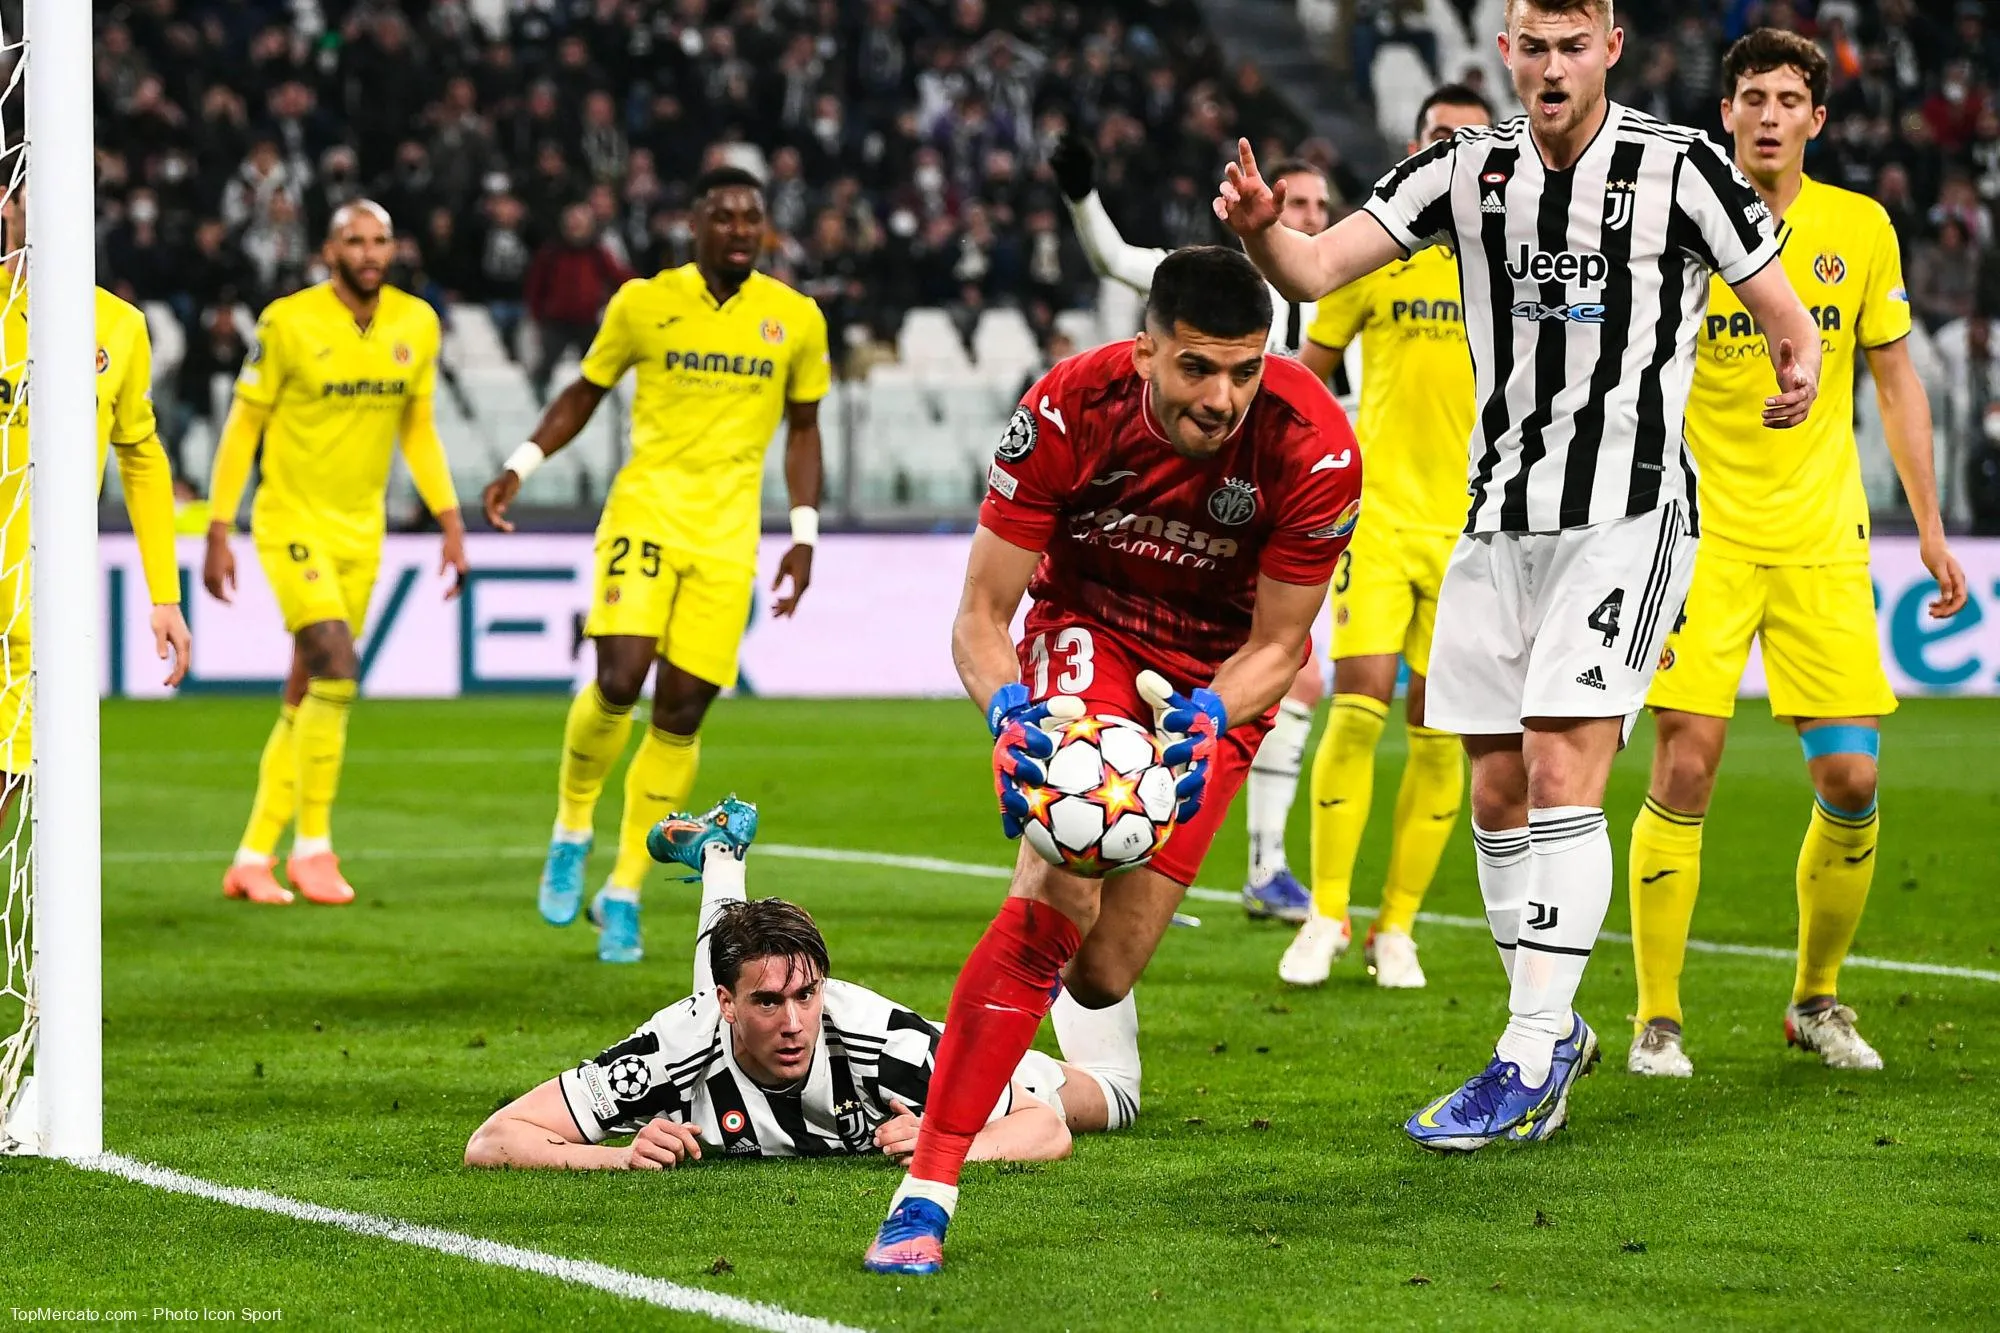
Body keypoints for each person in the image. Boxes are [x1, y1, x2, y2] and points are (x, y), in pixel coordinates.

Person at [1215, 0, 1822, 1152]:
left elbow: (1782, 317)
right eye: (1530, 48)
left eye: (1570, 46)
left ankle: (1527, 1048)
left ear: (1610, 49)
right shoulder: (1458, 171)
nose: (1550, 68)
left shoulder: (1678, 165)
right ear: (1504, 53)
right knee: (1491, 788)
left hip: (1627, 510)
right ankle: (1544, 1027)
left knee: (1558, 762)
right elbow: (1310, 263)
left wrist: (1792, 368)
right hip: (1493, 519)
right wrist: (1255, 229)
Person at [863, 246, 1362, 1274]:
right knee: (1061, 875)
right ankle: (928, 1188)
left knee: (1099, 974)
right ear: (1144, 350)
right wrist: (1010, 713)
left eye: (1241, 370)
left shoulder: (1313, 448)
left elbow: (1279, 645)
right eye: (1195, 369)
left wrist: (1206, 718)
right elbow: (982, 612)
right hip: (1088, 631)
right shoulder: (1064, 411)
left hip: (1218, 678)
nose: (1221, 397)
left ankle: (1018, 1046)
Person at [1627, 29, 1968, 1079]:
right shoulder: (1675, 222)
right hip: (1697, 534)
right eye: (1751, 97)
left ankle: (1814, 999)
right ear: (1722, 112)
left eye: (1788, 99)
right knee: (1686, 758)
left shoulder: (1857, 228)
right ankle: (1656, 1016)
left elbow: (1896, 381)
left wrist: (1927, 519)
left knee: (1852, 774)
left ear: (1816, 120)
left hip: (1820, 535)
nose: (1768, 114)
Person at [481, 167, 830, 966]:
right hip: (644, 513)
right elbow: (586, 389)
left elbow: (805, 428)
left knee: (680, 711)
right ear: (695, 223)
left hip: (727, 536)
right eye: (725, 215)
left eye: (753, 217)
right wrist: (520, 464)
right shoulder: (642, 301)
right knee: (619, 675)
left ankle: (625, 888)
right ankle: (572, 827)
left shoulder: (796, 319)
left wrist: (803, 534)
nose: (741, 229)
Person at [465, 797, 1137, 1168]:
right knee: (721, 994)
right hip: (711, 1029)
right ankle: (720, 857)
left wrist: (949, 1140)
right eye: (768, 1001)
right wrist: (620, 1157)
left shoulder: (890, 1047)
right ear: (728, 1004)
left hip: (1007, 1067)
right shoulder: (673, 1048)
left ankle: (1105, 841)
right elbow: (493, 1138)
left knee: (1114, 1093)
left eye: (806, 995)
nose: (793, 1020)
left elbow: (1045, 1127)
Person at [1049, 131, 1338, 925]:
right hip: (1213, 508)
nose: (1310, 214)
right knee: (1259, 674)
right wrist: (1080, 196)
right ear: (1257, 205)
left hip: (1321, 508)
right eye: (1296, 201)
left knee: (1294, 677)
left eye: (1321, 205)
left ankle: (1207, 852)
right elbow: (1110, 256)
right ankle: (1170, 845)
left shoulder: (1347, 287)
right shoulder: (1215, 288)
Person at [1282, 84, 1493, 991]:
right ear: (1416, 148)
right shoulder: (1376, 254)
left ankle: (1396, 925)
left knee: (1441, 733)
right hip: (1382, 520)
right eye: (1440, 136)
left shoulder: (1517, 264)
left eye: (1471, 140)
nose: (1453, 150)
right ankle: (1326, 914)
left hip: (1475, 532)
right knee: (1358, 704)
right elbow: (1304, 382)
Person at [204, 201, 470, 907]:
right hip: (290, 518)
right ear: (330, 251)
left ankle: (252, 856)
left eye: (380, 239)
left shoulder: (417, 322)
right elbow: (242, 426)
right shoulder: (286, 321)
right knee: (336, 664)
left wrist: (449, 518)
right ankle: (314, 846)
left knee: (305, 695)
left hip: (362, 528)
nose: (370, 251)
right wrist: (217, 526)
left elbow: (418, 428)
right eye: (355, 240)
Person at [0, 190, 192, 810]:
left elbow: (140, 456)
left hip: (35, 591)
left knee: (11, 768)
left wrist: (165, 594)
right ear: (9, 205)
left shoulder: (118, 326)